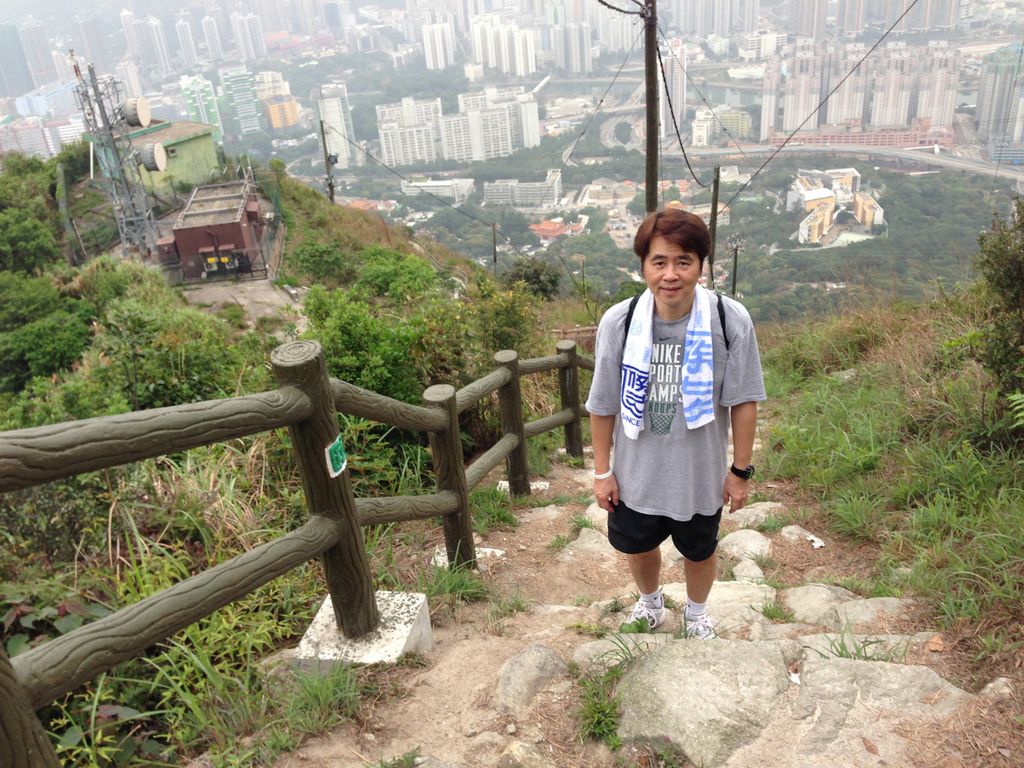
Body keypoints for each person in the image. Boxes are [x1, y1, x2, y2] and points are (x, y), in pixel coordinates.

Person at [585, 208, 766, 638]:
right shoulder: (620, 321)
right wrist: (602, 472)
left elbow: (744, 400)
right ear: (643, 266)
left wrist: (740, 471)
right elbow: (603, 402)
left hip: (699, 475)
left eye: (683, 261)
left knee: (700, 552)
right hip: (636, 474)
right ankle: (650, 603)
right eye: (659, 261)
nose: (670, 274)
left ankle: (697, 615)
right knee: (639, 546)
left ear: (701, 266)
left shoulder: (729, 319)